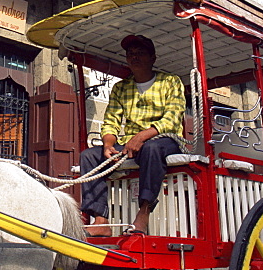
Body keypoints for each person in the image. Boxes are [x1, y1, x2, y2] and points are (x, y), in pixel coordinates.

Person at [80, 35, 187, 236]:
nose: (134, 57)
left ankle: (144, 213)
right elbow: (111, 121)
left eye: (140, 53)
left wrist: (142, 137)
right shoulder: (121, 87)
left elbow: (172, 120)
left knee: (151, 148)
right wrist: (108, 144)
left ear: (153, 58)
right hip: (131, 144)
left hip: (165, 141)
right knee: (89, 155)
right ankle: (100, 219)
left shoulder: (171, 82)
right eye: (130, 54)